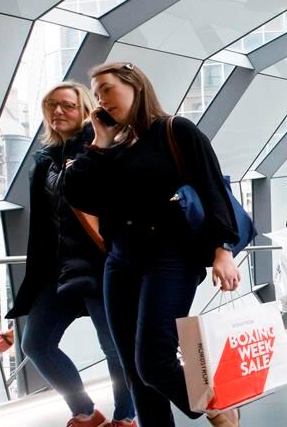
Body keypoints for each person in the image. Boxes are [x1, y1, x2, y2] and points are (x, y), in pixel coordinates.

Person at [64, 62, 241, 427]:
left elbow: (212, 188)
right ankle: (207, 406)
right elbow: (76, 194)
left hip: (170, 257)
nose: (101, 100)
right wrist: (99, 144)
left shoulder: (175, 130)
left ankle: (217, 405)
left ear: (135, 85)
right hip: (120, 261)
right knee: (135, 372)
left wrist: (222, 249)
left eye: (107, 89)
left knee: (153, 362)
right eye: (96, 95)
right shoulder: (110, 144)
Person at [3, 82, 135, 427]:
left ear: (85, 109)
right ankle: (86, 411)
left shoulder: (103, 148)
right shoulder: (44, 160)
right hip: (58, 269)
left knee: (114, 347)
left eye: (67, 105)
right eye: (51, 105)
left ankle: (126, 417)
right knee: (36, 343)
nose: (57, 111)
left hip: (101, 265)